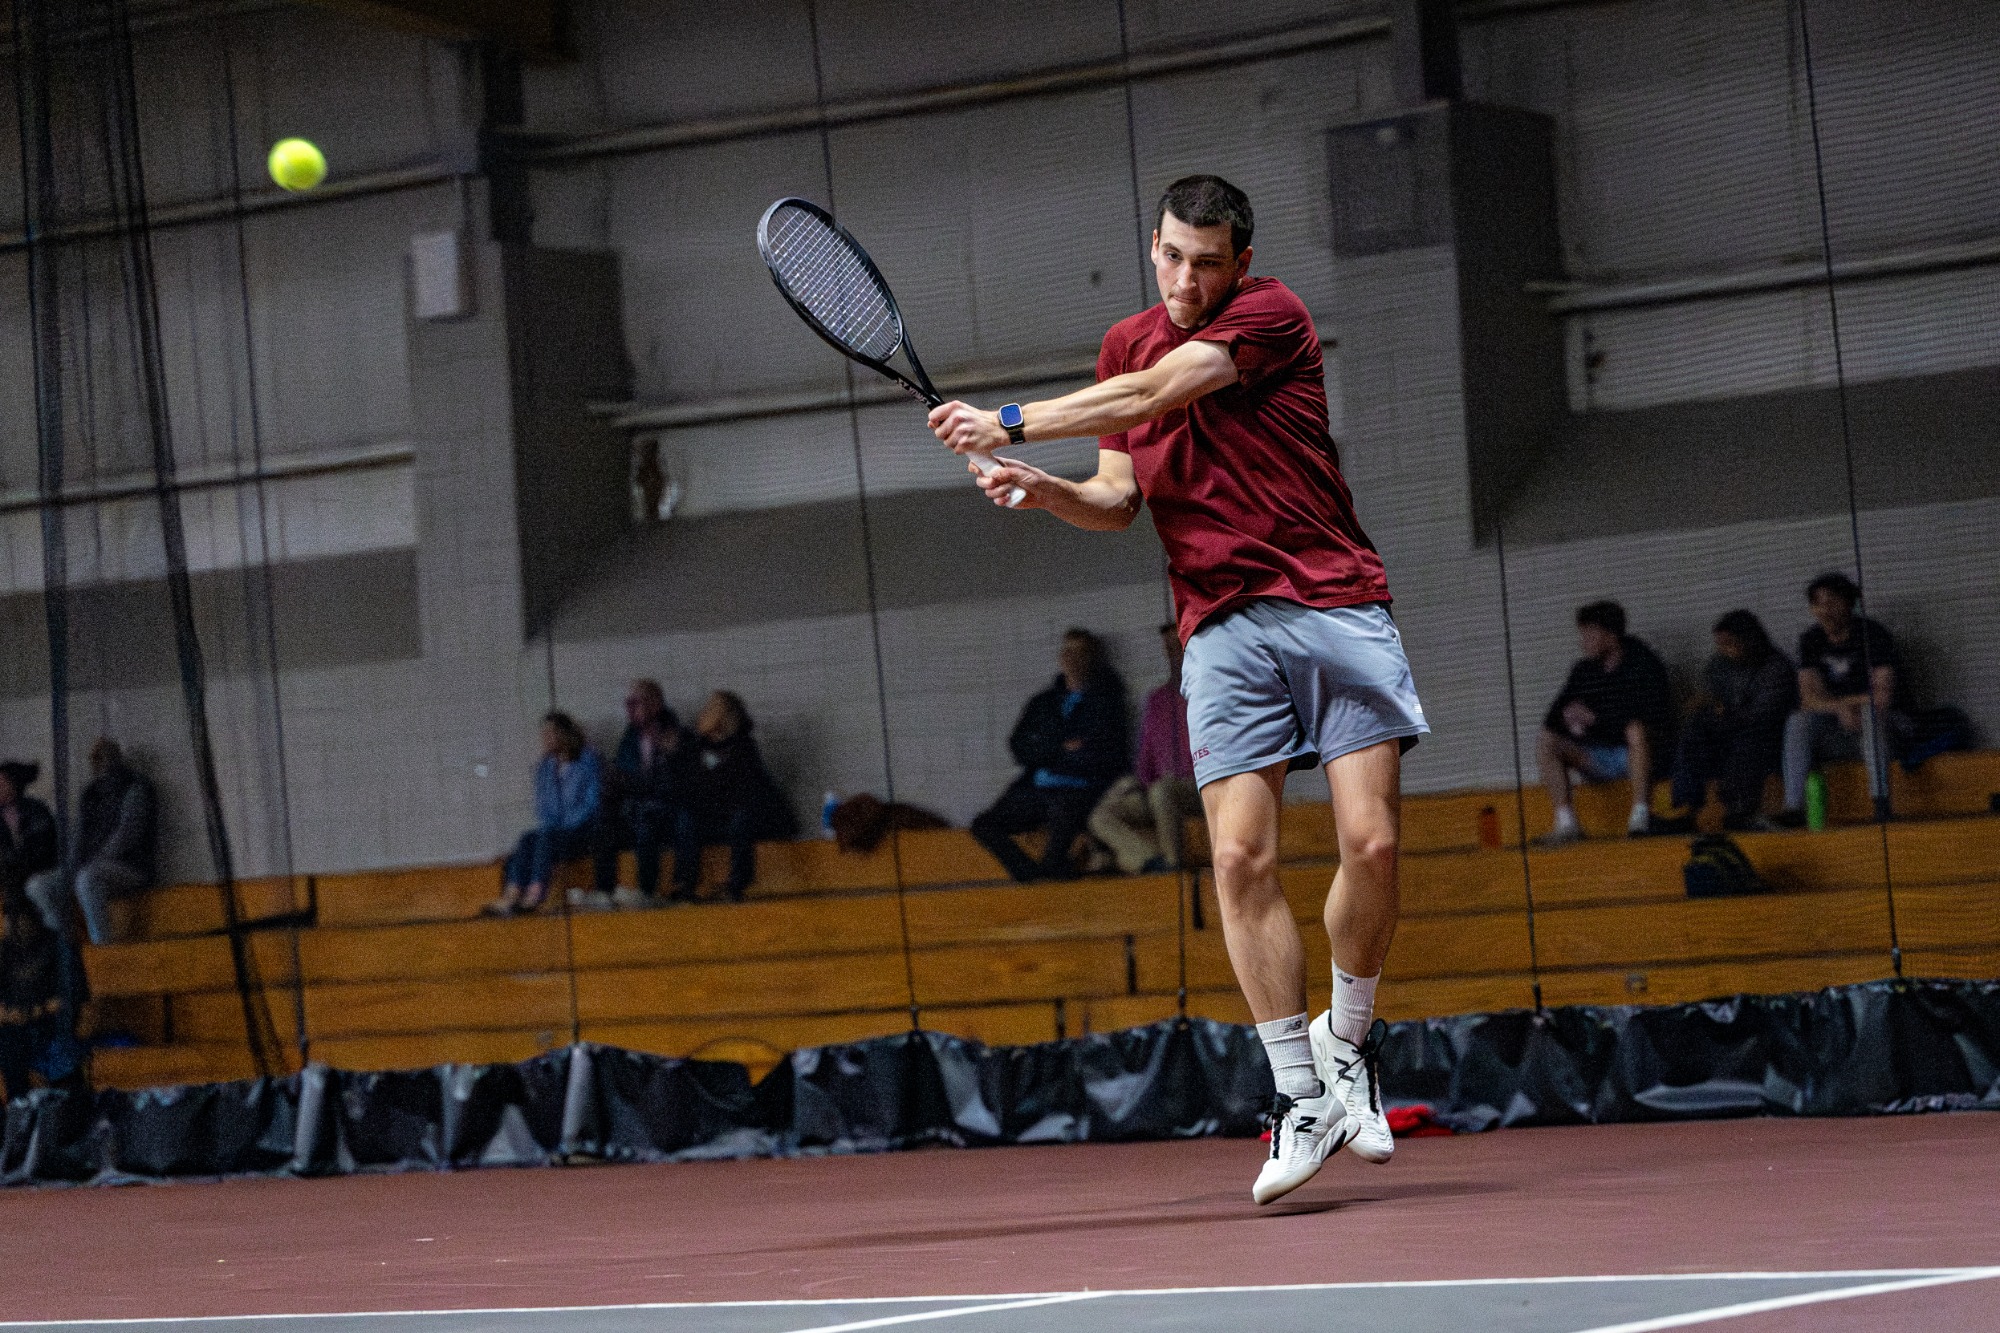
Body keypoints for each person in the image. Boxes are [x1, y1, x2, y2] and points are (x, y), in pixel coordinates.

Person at [929, 175, 1426, 1203]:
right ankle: (1298, 1090)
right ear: (1149, 248)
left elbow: (1156, 394)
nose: (1186, 275)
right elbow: (1117, 498)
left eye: (1206, 260)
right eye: (1170, 255)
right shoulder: (1120, 342)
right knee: (1239, 855)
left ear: (1239, 262)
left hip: (1333, 601)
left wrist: (1008, 423)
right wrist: (1045, 486)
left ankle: (1349, 1039)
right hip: (1217, 625)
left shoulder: (1270, 316)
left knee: (1370, 841)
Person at [970, 629, 1131, 884]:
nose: (1071, 658)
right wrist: (1059, 748)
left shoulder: (1106, 702)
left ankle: (1051, 872)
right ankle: (1028, 875)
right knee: (983, 825)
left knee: (1056, 850)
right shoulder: (1043, 703)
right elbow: (1019, 746)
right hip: (1036, 787)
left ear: (1090, 659)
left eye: (1079, 653)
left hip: (1079, 790)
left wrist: (1057, 753)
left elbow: (1104, 753)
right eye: (1067, 651)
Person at [1768, 572, 1908, 827]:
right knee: (1798, 721)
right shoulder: (1811, 640)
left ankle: (1881, 803)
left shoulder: (1873, 635)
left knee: (1870, 714)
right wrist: (1841, 706)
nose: (1825, 610)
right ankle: (1793, 807)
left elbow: (1882, 695)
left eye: (1832, 602)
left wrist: (1850, 704)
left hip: (1886, 730)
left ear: (1849, 603)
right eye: (1818, 604)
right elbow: (1809, 699)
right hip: (1840, 731)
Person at [1534, 601, 1674, 846]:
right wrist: (1569, 714)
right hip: (1599, 756)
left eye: (1589, 634)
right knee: (1547, 740)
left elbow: (1649, 716)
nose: (1583, 641)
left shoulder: (1643, 664)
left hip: (1638, 756)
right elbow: (1553, 719)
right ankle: (1567, 824)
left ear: (1611, 636)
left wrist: (1593, 718)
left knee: (1635, 730)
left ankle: (1641, 816)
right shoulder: (1584, 670)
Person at [1651, 611, 1796, 833]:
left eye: (1730, 643)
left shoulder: (1775, 667)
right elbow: (1708, 698)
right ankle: (1685, 808)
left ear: (1749, 640)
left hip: (1767, 737)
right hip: (1726, 730)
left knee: (1747, 740)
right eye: (1720, 644)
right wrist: (1703, 706)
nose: (1723, 649)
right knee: (1695, 730)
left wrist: (1724, 711)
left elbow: (1765, 715)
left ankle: (1740, 811)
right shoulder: (1720, 664)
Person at [1088, 622, 1202, 874]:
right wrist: (1135, 784)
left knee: (1163, 791)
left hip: (1199, 791)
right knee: (1102, 814)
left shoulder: (1208, 693)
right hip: (1159, 792)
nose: (1174, 654)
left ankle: (1174, 867)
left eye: (1178, 647)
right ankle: (1151, 861)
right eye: (1169, 648)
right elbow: (1146, 757)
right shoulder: (1157, 700)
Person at [24, 739, 157, 946]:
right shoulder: (91, 793)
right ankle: (68, 943)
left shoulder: (135, 788)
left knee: (87, 878)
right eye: (94, 759)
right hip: (88, 865)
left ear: (115, 758)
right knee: (38, 885)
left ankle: (102, 947)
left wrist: (93, 860)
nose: (98, 763)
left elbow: (128, 834)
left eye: (102, 757)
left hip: (129, 866)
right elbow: (79, 835)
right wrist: (73, 864)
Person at [673, 691, 796, 902]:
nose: (704, 714)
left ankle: (736, 884)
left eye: (711, 709)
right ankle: (687, 883)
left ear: (724, 717)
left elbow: (746, 790)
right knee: (686, 818)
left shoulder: (743, 746)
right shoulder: (696, 747)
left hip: (739, 814)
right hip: (714, 814)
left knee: (741, 820)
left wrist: (713, 785)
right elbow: (690, 787)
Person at [576, 681, 689, 910]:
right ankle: (604, 891)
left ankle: (647, 890)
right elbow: (625, 776)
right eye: (628, 703)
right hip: (637, 806)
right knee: (604, 823)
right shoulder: (629, 739)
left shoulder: (677, 736)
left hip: (666, 809)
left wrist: (638, 780)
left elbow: (675, 785)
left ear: (655, 705)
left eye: (635, 703)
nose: (629, 708)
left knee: (647, 822)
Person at [485, 712, 601, 917]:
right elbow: (543, 808)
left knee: (545, 839)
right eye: (544, 733)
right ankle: (511, 895)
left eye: (551, 733)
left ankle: (536, 893)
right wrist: (553, 827)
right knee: (527, 840)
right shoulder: (545, 769)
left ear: (564, 735)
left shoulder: (587, 762)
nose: (545, 738)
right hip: (555, 832)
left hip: (582, 831)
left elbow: (592, 804)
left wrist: (563, 826)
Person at [0, 870, 88, 1103]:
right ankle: (19, 1107)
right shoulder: (5, 952)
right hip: (15, 1026)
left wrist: (35, 1012)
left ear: (33, 916)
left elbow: (75, 995)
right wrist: (8, 1014)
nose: (13, 925)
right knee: (8, 1043)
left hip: (52, 1022)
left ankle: (65, 1104)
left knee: (59, 1047)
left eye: (19, 917)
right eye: (9, 917)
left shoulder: (57, 946)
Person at [0, 761, 58, 901]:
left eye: (1, 783)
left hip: (40, 869)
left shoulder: (36, 810)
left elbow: (44, 848)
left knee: (21, 882)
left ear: (13, 784)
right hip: (11, 872)